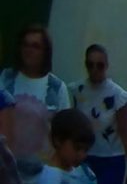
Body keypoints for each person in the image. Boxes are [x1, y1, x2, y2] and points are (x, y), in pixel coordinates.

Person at [0, 27, 73, 183]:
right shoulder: (5, 79)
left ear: (45, 52)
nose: (29, 50)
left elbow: (66, 133)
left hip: (41, 175)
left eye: (35, 46)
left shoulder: (57, 88)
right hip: (5, 170)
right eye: (25, 45)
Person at [67, 47, 127, 184]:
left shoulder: (117, 95)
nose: (95, 69)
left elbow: (125, 133)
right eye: (90, 64)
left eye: (100, 65)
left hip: (111, 159)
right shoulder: (77, 91)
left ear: (106, 66)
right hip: (83, 157)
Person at [33, 110, 95, 184]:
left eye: (86, 150)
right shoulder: (47, 178)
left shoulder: (86, 172)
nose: (82, 155)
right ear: (58, 140)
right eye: (77, 148)